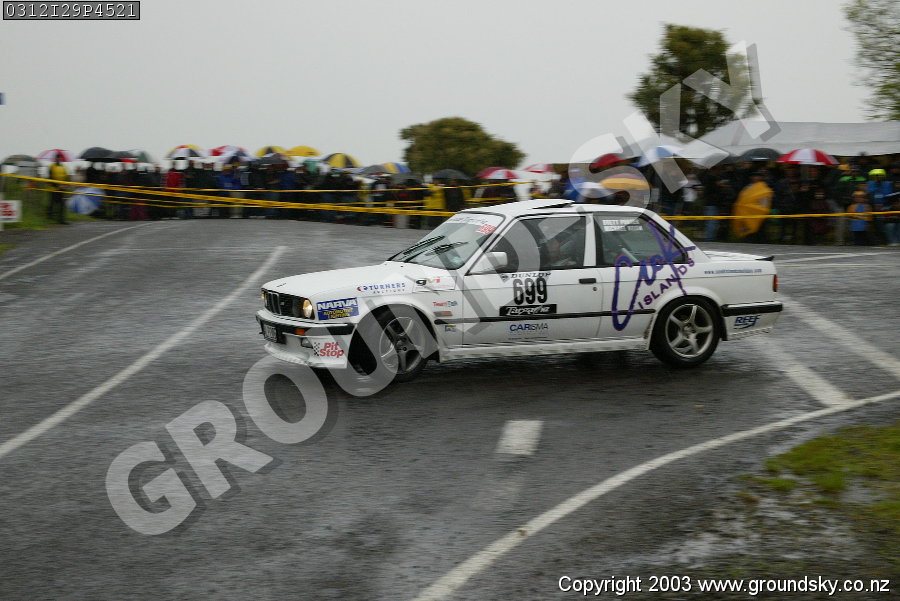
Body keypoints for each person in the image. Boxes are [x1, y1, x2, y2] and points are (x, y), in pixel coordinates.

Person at [47, 156, 69, 224]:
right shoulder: (51, 166)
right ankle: (49, 217)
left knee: (62, 204)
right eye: (57, 158)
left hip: (62, 189)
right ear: (55, 159)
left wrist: (65, 185)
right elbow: (50, 178)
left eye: (60, 158)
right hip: (53, 189)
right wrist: (57, 185)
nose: (59, 159)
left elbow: (66, 177)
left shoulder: (64, 167)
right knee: (52, 203)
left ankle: (61, 219)